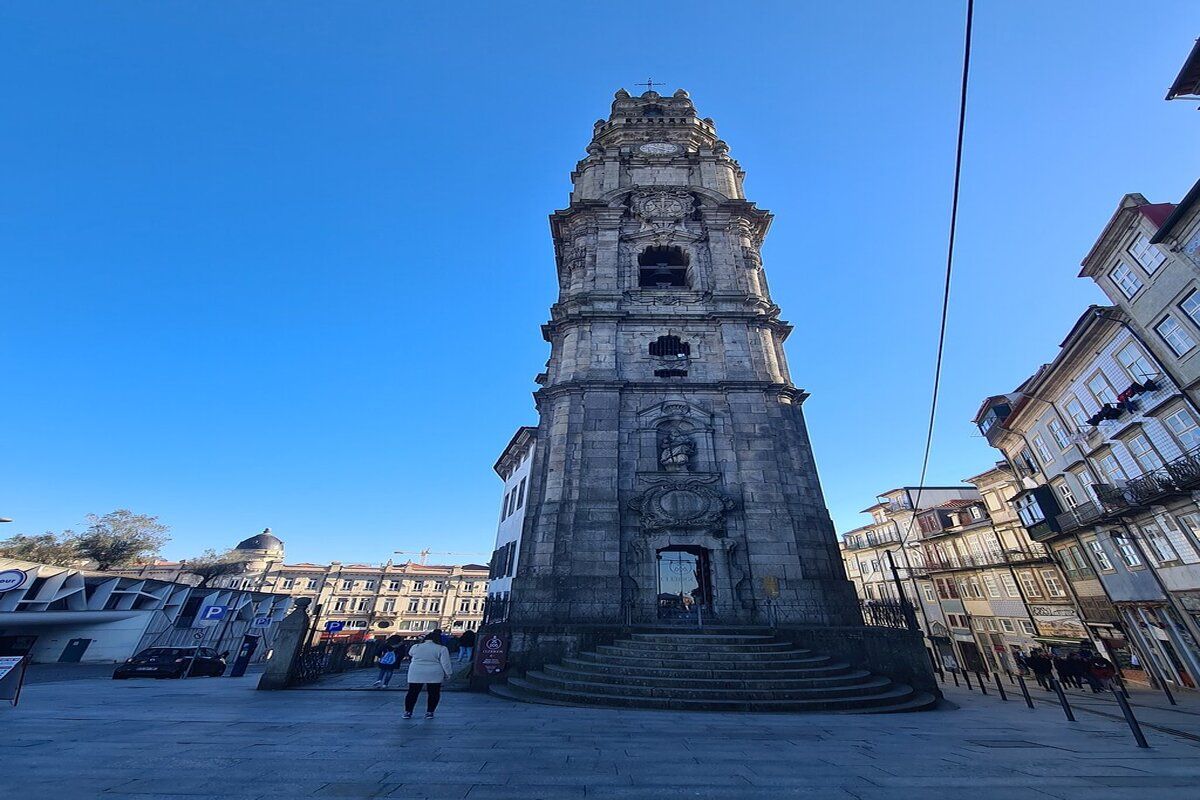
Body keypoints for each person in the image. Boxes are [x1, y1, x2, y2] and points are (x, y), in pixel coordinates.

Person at [403, 629, 453, 719]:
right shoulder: (442, 648)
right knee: (433, 693)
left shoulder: (416, 646)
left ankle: (408, 712)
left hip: (416, 671)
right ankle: (430, 712)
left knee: (412, 692)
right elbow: (445, 663)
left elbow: (410, 653)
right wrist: (448, 673)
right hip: (434, 671)